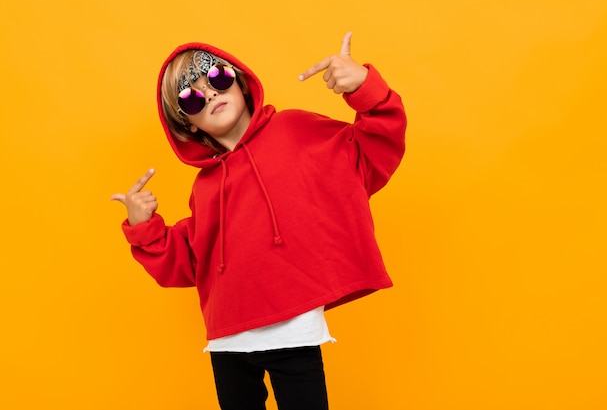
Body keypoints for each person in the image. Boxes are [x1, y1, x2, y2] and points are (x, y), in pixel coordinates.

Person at [111, 32, 407, 410]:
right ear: (188, 125)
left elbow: (371, 151)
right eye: (191, 97)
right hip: (226, 344)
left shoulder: (298, 131)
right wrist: (144, 229)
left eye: (217, 78)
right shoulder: (204, 187)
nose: (211, 94)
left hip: (292, 332)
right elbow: (187, 262)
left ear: (241, 83)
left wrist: (365, 88)